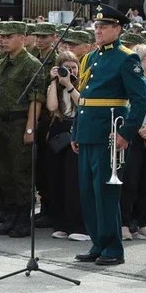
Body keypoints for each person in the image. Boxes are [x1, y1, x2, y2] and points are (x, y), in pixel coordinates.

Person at [71, 5, 146, 266]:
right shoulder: (91, 58)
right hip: (88, 133)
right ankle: (98, 242)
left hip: (108, 134)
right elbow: (83, 100)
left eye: (104, 27)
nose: (98, 30)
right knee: (87, 192)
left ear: (118, 29)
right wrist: (76, 131)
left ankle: (113, 247)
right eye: (96, 26)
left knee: (105, 192)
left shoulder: (126, 58)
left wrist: (126, 132)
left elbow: (140, 100)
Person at [0, 21, 43, 238]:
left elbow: (35, 100)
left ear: (23, 37)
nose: (3, 40)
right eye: (1, 36)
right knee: (5, 173)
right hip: (1, 122)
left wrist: (30, 129)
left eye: (9, 36)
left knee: (21, 173)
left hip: (19, 123)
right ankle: (10, 217)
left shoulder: (31, 64)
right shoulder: (2, 61)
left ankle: (22, 220)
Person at [117, 44, 146, 241]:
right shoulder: (130, 81)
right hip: (134, 134)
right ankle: (124, 223)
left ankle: (143, 222)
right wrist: (142, 129)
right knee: (130, 179)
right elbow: (129, 107)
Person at [44, 51, 88, 241]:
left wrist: (70, 85)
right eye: (65, 68)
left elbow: (82, 104)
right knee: (57, 180)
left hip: (76, 130)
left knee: (73, 181)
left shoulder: (83, 85)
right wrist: (54, 82)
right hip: (58, 133)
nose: (69, 71)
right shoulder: (55, 86)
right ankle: (61, 223)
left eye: (73, 67)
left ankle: (77, 225)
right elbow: (52, 107)